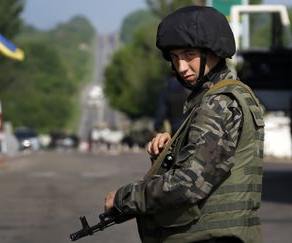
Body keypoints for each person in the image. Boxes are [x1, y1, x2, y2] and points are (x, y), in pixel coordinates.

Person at [104, 6, 264, 243]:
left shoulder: (218, 103)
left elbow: (188, 184)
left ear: (213, 51)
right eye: (175, 58)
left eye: (189, 55)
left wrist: (124, 198)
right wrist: (173, 150)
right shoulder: (227, 94)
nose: (181, 67)